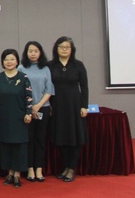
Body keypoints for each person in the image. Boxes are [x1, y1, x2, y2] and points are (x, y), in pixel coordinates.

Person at [48, 36, 89, 183]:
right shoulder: (50, 65)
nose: (64, 49)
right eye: (61, 47)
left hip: (74, 105)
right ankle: (66, 166)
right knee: (61, 137)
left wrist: (84, 106)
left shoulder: (78, 65)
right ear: (56, 49)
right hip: (57, 105)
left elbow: (84, 87)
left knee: (74, 137)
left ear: (72, 50)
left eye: (67, 47)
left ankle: (71, 168)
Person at [0, 49, 33, 188]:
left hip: (19, 117)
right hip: (3, 117)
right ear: (2, 62)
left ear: (17, 61)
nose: (9, 62)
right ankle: (9, 173)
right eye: (6, 59)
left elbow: (29, 97)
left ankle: (17, 175)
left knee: (19, 146)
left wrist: (28, 113)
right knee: (6, 146)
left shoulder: (23, 77)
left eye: (12, 59)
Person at [18, 41, 54, 182]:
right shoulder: (21, 68)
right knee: (29, 139)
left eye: (36, 51)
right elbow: (19, 90)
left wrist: (38, 105)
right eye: (30, 51)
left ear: (40, 53)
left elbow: (49, 89)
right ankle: (30, 168)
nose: (33, 54)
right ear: (26, 53)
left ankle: (39, 168)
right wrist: (30, 107)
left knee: (40, 139)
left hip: (42, 107)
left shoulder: (45, 68)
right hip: (26, 109)